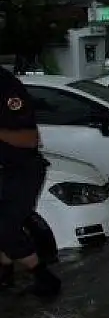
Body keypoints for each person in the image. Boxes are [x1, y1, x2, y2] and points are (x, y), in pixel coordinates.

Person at [0, 67, 62, 300]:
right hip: (5, 171)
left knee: (5, 227)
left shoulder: (8, 88)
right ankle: (6, 274)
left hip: (22, 170)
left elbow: (29, 139)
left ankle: (43, 276)